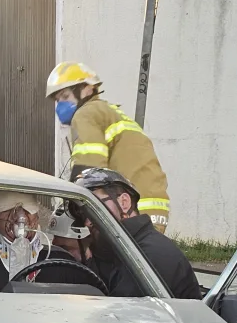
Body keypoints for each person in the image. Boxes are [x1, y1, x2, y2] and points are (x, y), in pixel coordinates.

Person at [47, 62, 171, 233]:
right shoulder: (110, 112)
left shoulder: (86, 113)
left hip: (128, 206)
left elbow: (90, 171)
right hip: (152, 204)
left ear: (87, 89)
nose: (60, 104)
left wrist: (73, 203)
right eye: (57, 100)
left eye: (65, 96)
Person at [74, 167, 200, 300]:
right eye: (84, 214)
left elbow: (122, 315)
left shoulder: (149, 253)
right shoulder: (119, 249)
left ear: (124, 202)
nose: (87, 222)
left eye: (94, 207)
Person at [0, 191, 83, 292]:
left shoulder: (64, 264)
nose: (20, 217)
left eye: (27, 209)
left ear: (37, 215)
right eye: (6, 209)